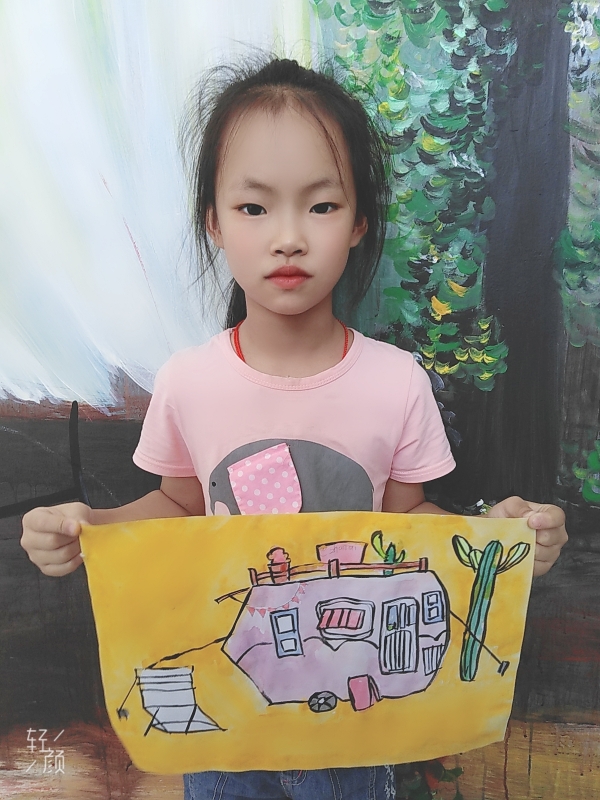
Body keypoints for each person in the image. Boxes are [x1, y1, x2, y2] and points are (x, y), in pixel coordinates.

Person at [21, 57, 567, 800]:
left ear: (359, 221)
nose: (287, 237)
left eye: (321, 205)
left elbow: (409, 525)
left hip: (353, 723)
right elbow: (180, 505)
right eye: (254, 207)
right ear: (213, 221)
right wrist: (92, 527)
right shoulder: (188, 381)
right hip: (223, 720)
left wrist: (498, 539)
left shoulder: (397, 382)